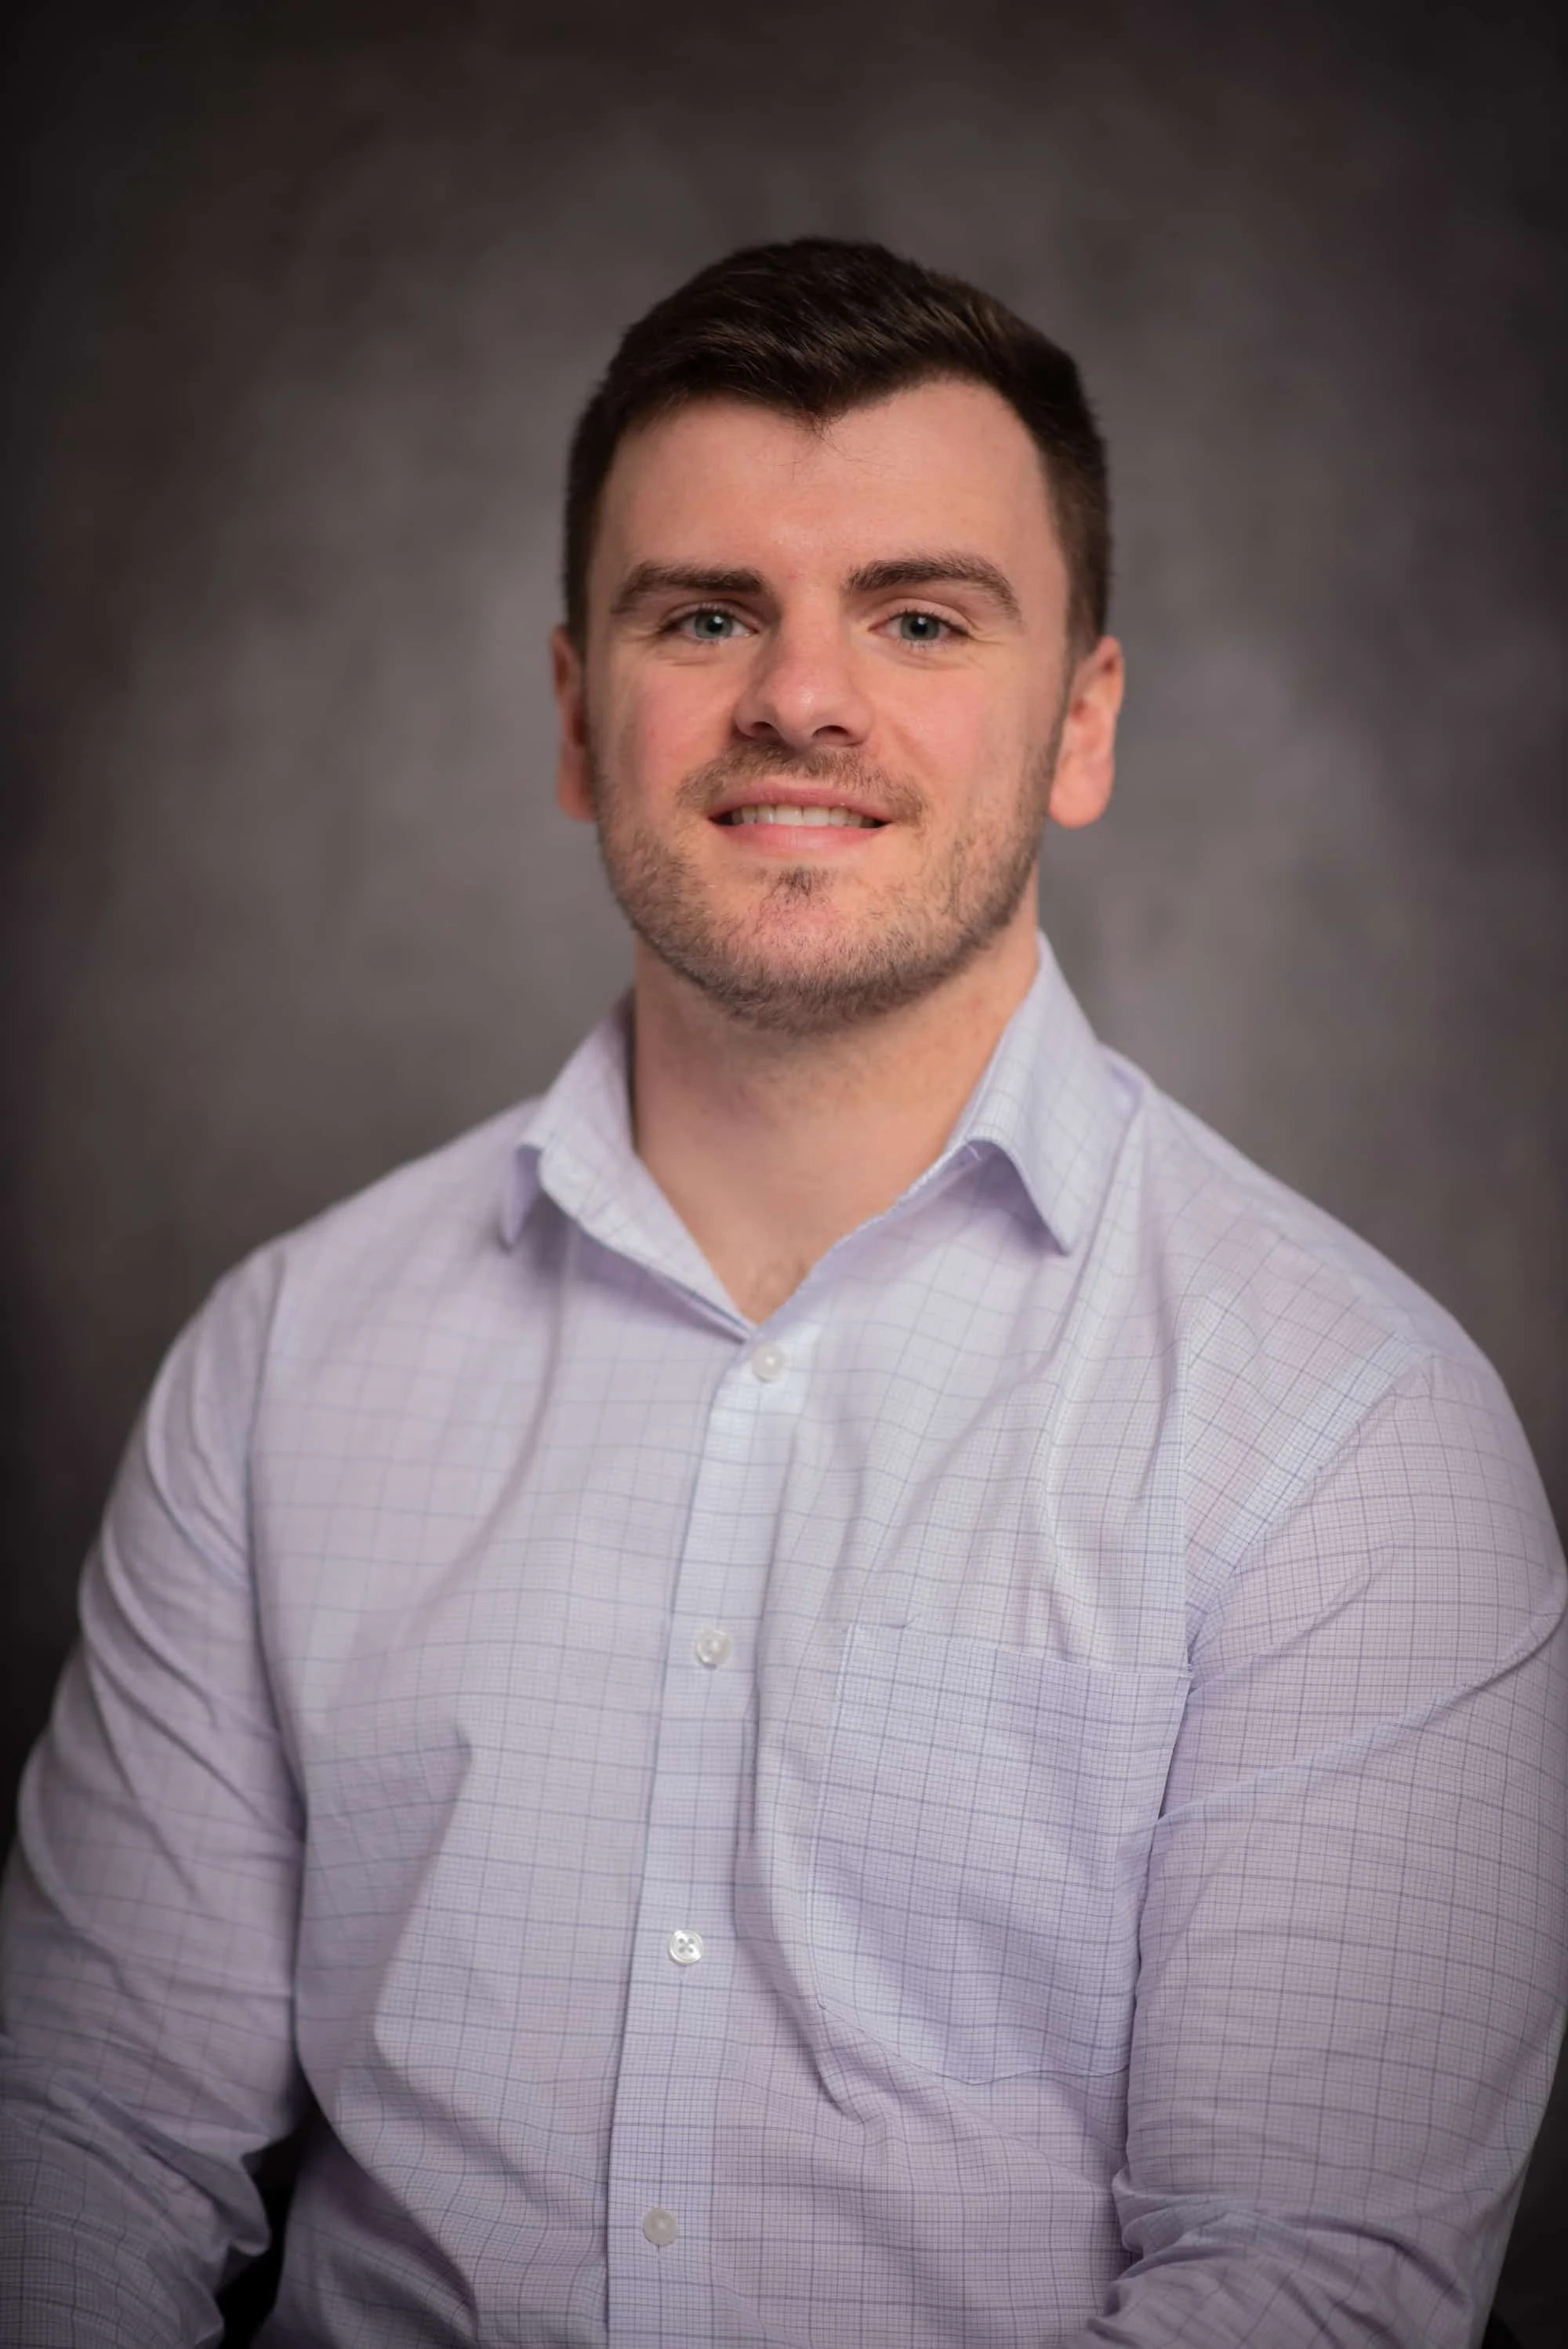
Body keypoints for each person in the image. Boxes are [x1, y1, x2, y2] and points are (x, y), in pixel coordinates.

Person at [1, 238, 1563, 2349]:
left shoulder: (1352, 1426)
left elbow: (1306, 2298)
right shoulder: (284, 1363)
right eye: (705, 611)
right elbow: (84, 2140)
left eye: (920, 616)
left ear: (1082, 723)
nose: (799, 695)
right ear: (577, 716)